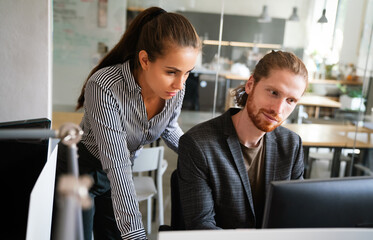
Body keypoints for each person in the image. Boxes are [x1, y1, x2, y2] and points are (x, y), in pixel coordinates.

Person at [55, 7, 201, 240]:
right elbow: (117, 163)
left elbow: (170, 128)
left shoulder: (173, 91)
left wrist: (202, 157)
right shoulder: (105, 86)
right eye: (172, 72)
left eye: (187, 73)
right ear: (144, 60)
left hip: (117, 175)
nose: (180, 84)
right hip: (81, 169)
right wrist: (136, 234)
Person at [177, 50, 308, 230]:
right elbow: (202, 227)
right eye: (273, 92)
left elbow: (296, 213)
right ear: (250, 85)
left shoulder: (291, 145)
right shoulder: (199, 144)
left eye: (290, 100)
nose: (278, 109)